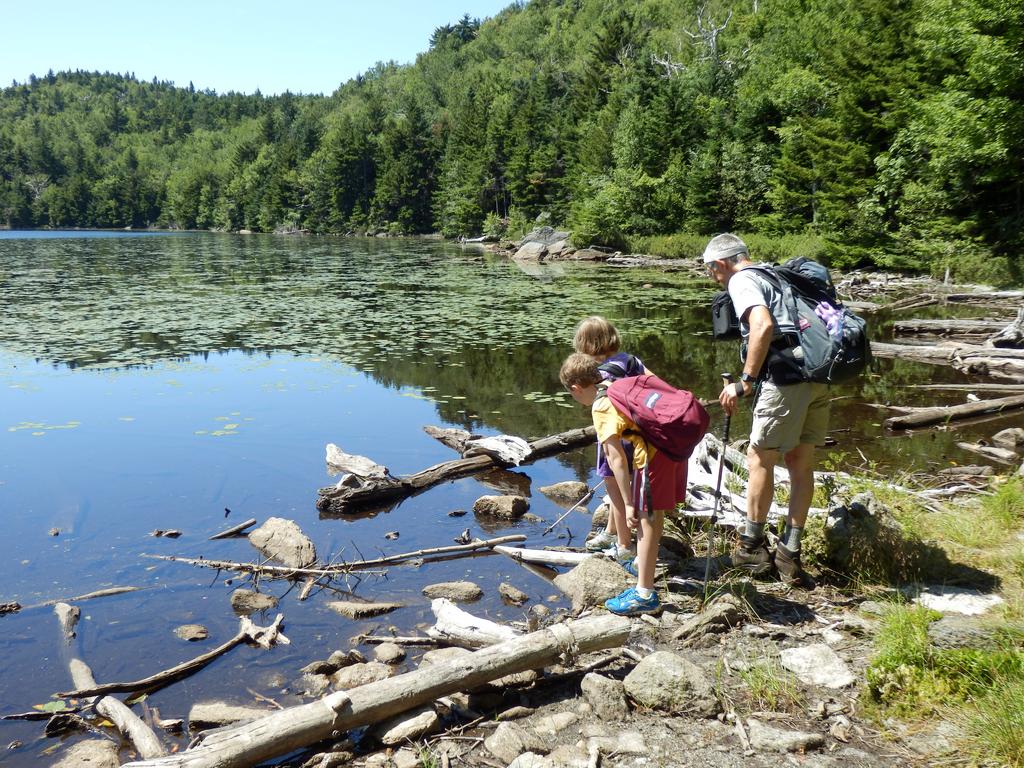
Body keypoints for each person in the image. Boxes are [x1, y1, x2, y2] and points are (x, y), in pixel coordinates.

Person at [703, 233, 823, 589]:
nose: (714, 278)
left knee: (760, 459)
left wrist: (745, 380)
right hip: (817, 372)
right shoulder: (775, 274)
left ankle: (752, 548)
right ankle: (790, 551)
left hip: (785, 378)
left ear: (721, 264)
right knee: (801, 464)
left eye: (712, 271)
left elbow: (763, 326)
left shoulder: (741, 279)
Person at [559, 352, 686, 615]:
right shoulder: (617, 381)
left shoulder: (601, 404)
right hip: (671, 444)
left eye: (572, 395)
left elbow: (615, 459)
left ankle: (645, 594)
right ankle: (643, 568)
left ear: (576, 388)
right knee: (653, 513)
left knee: (645, 515)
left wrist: (627, 503)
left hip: (652, 456)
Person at [572, 316, 648, 561]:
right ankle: (611, 531)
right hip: (637, 433)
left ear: (585, 345)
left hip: (614, 435)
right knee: (622, 483)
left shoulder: (597, 374)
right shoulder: (631, 360)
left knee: (614, 487)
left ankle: (624, 546)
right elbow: (654, 382)